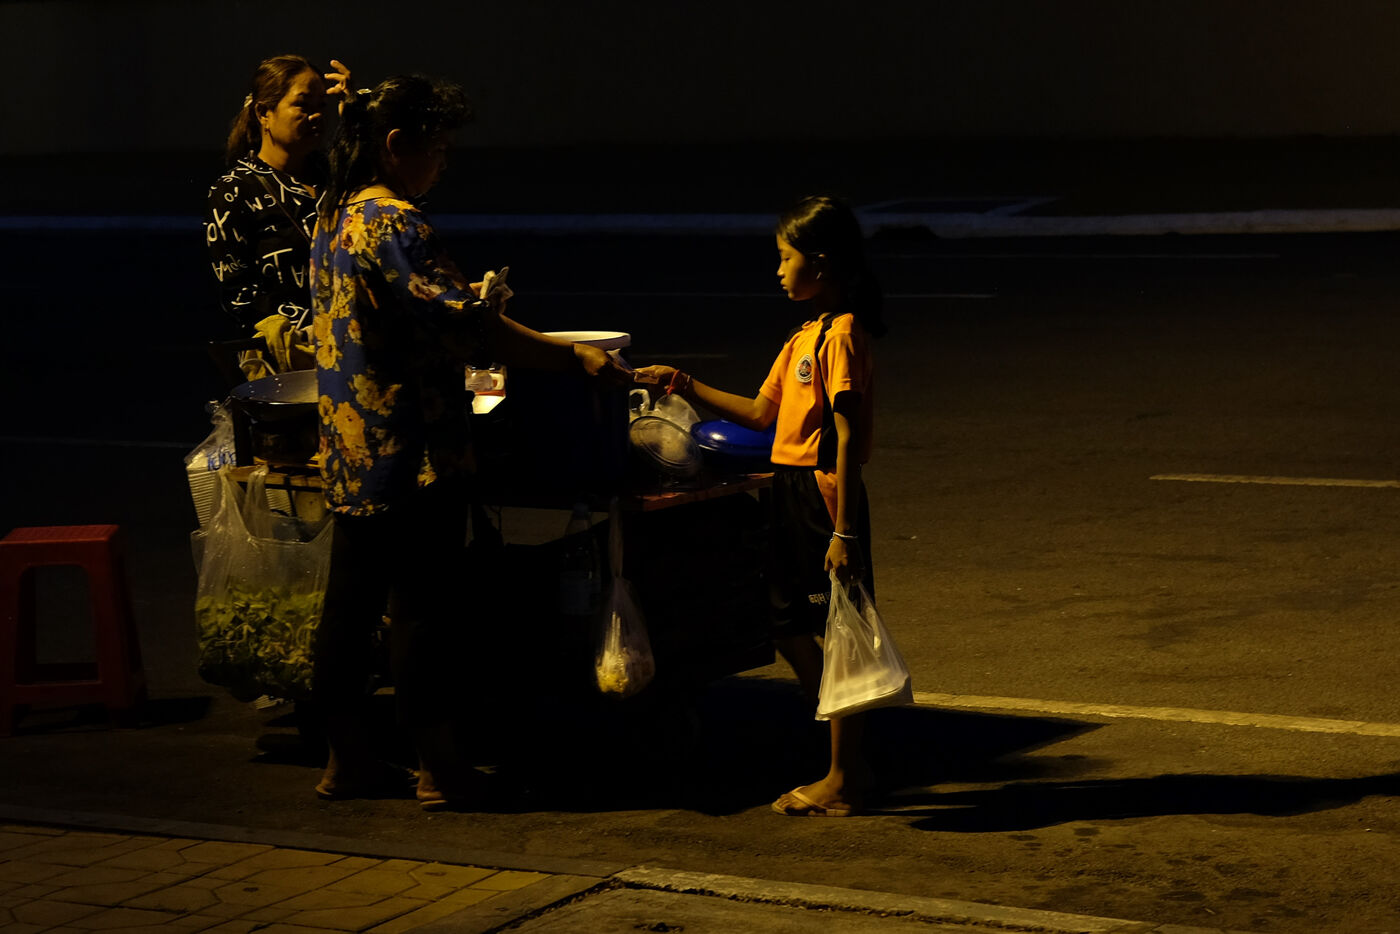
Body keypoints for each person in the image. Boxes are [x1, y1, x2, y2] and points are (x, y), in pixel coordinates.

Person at [309, 73, 631, 811]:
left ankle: (346, 759)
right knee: (422, 611)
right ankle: (441, 768)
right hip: (414, 453)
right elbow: (470, 328)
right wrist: (572, 356)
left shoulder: (334, 217)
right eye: (438, 148)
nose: (444, 162)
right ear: (396, 145)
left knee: (349, 607)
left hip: (351, 453)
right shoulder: (394, 224)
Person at [634, 195, 886, 817]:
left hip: (824, 496)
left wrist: (844, 534)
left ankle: (844, 777)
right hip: (787, 485)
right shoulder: (804, 336)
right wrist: (682, 382)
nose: (777, 269)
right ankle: (845, 745)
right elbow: (759, 413)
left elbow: (846, 437)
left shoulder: (842, 335)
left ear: (819, 263)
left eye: (784, 257)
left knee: (839, 634)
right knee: (787, 624)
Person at [204, 54, 351, 372]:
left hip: (351, 351)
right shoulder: (235, 190)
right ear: (263, 113)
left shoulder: (338, 177)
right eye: (303, 105)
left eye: (321, 106)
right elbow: (237, 292)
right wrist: (304, 331)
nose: (316, 116)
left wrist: (358, 120)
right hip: (286, 363)